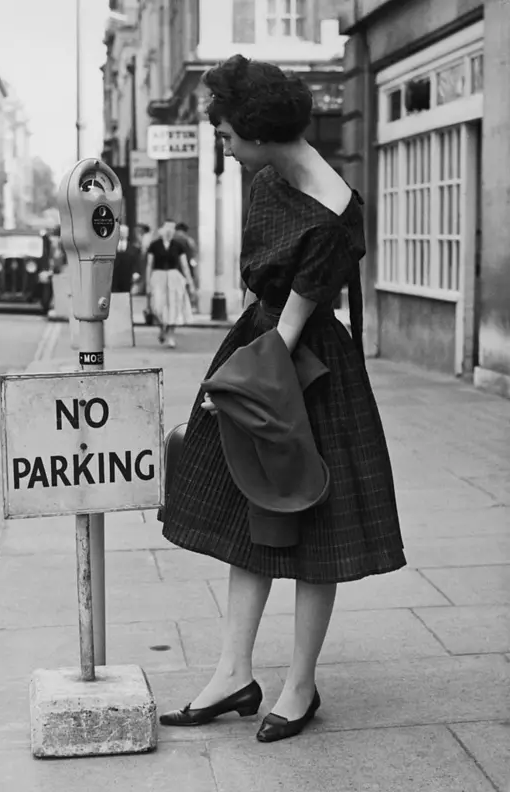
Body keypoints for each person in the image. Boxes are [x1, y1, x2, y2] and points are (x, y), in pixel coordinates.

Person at [158, 55, 405, 742]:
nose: (226, 148)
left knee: (312, 524)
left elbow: (293, 328)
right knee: (250, 511)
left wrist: (234, 387)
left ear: (261, 134)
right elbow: (263, 300)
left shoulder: (332, 215)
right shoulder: (269, 180)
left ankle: (300, 685)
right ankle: (234, 672)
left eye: (230, 136)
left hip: (304, 367)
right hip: (264, 346)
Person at [146, 219, 195, 348]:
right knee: (157, 306)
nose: (169, 231)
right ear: (162, 229)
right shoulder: (154, 245)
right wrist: (147, 283)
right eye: (167, 228)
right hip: (158, 276)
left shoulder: (178, 246)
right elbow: (149, 265)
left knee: (174, 307)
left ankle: (171, 336)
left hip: (174, 278)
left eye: (172, 228)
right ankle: (162, 328)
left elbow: (184, 265)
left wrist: (190, 282)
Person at [174, 222, 200, 311]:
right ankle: (191, 305)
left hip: (175, 267)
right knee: (189, 285)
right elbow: (194, 253)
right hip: (187, 266)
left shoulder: (174, 240)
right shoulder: (189, 240)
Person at [112, 224, 141, 293]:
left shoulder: (134, 249)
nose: (122, 233)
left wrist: (136, 272)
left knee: (126, 295)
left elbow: (136, 262)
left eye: (124, 232)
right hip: (114, 276)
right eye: (120, 231)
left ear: (127, 233)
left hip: (128, 277)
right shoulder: (111, 248)